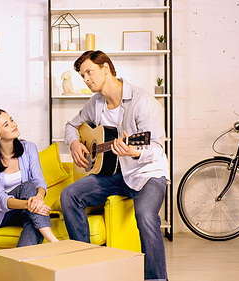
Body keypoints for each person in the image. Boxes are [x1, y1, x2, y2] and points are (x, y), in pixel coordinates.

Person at [60, 50, 169, 281]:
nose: (86, 78)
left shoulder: (142, 101)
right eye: (82, 75)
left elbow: (157, 147)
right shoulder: (95, 103)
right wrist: (75, 144)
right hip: (114, 174)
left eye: (89, 72)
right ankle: (84, 266)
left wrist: (135, 151)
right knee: (70, 195)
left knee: (146, 216)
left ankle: (156, 279)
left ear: (106, 69)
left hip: (147, 174)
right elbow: (71, 125)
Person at [0, 109, 58, 247]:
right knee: (27, 187)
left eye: (11, 120)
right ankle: (54, 242)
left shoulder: (29, 148)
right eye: (6, 125)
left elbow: (39, 180)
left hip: (26, 210)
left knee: (34, 224)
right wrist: (30, 205)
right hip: (2, 214)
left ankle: (20, 264)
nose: (13, 124)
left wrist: (38, 198)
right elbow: (0, 198)